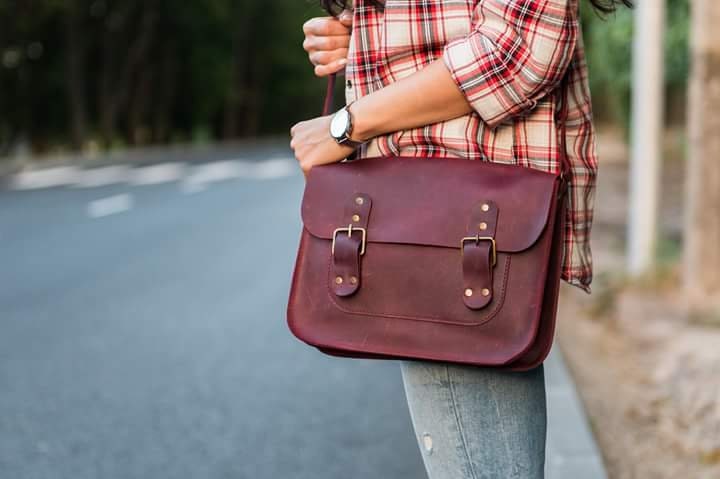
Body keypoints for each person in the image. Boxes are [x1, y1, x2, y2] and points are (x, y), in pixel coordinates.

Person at [290, 1, 630, 477]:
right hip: (443, 224)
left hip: (466, 232)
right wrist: (368, 40)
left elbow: (516, 51)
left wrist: (344, 126)